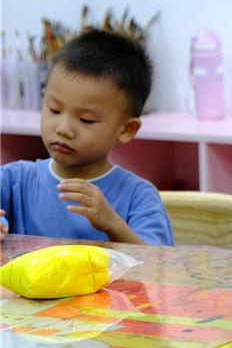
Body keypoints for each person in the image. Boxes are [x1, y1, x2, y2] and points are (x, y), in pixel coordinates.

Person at [0, 30, 173, 245]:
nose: (64, 129)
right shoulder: (13, 181)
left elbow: (159, 268)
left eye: (86, 120)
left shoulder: (139, 196)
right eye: (54, 110)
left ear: (127, 129)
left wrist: (112, 224)